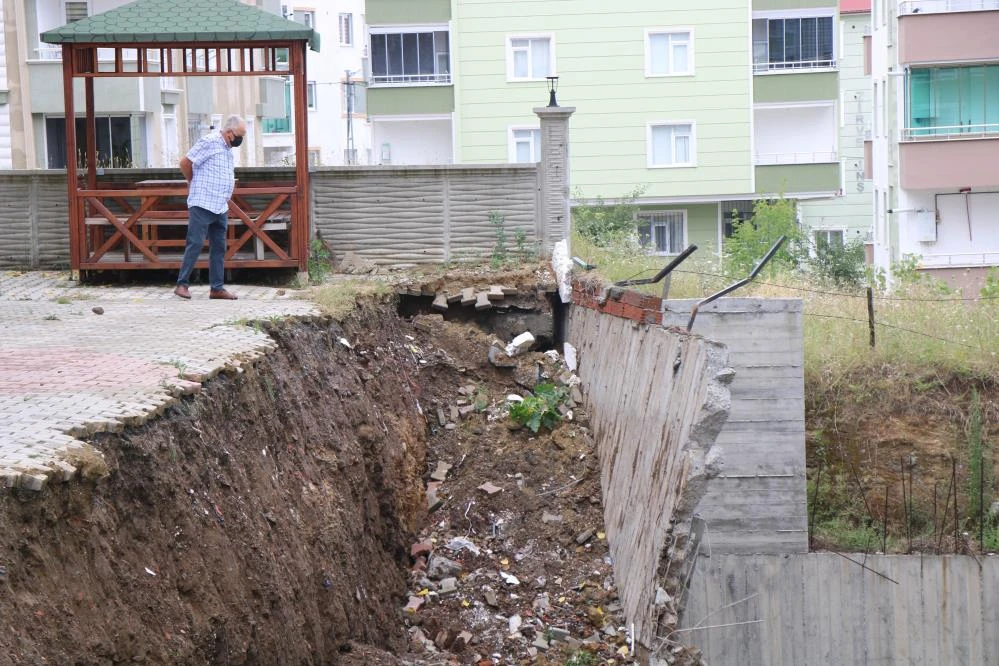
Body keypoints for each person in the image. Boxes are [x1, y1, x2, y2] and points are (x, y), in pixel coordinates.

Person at [173, 115, 246, 300]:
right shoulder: (210, 141)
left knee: (219, 247)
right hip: (203, 202)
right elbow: (185, 162)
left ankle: (217, 288)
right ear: (229, 132)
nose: (240, 140)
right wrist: (192, 182)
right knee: (195, 243)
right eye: (239, 135)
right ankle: (182, 284)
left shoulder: (228, 148)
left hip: (221, 205)